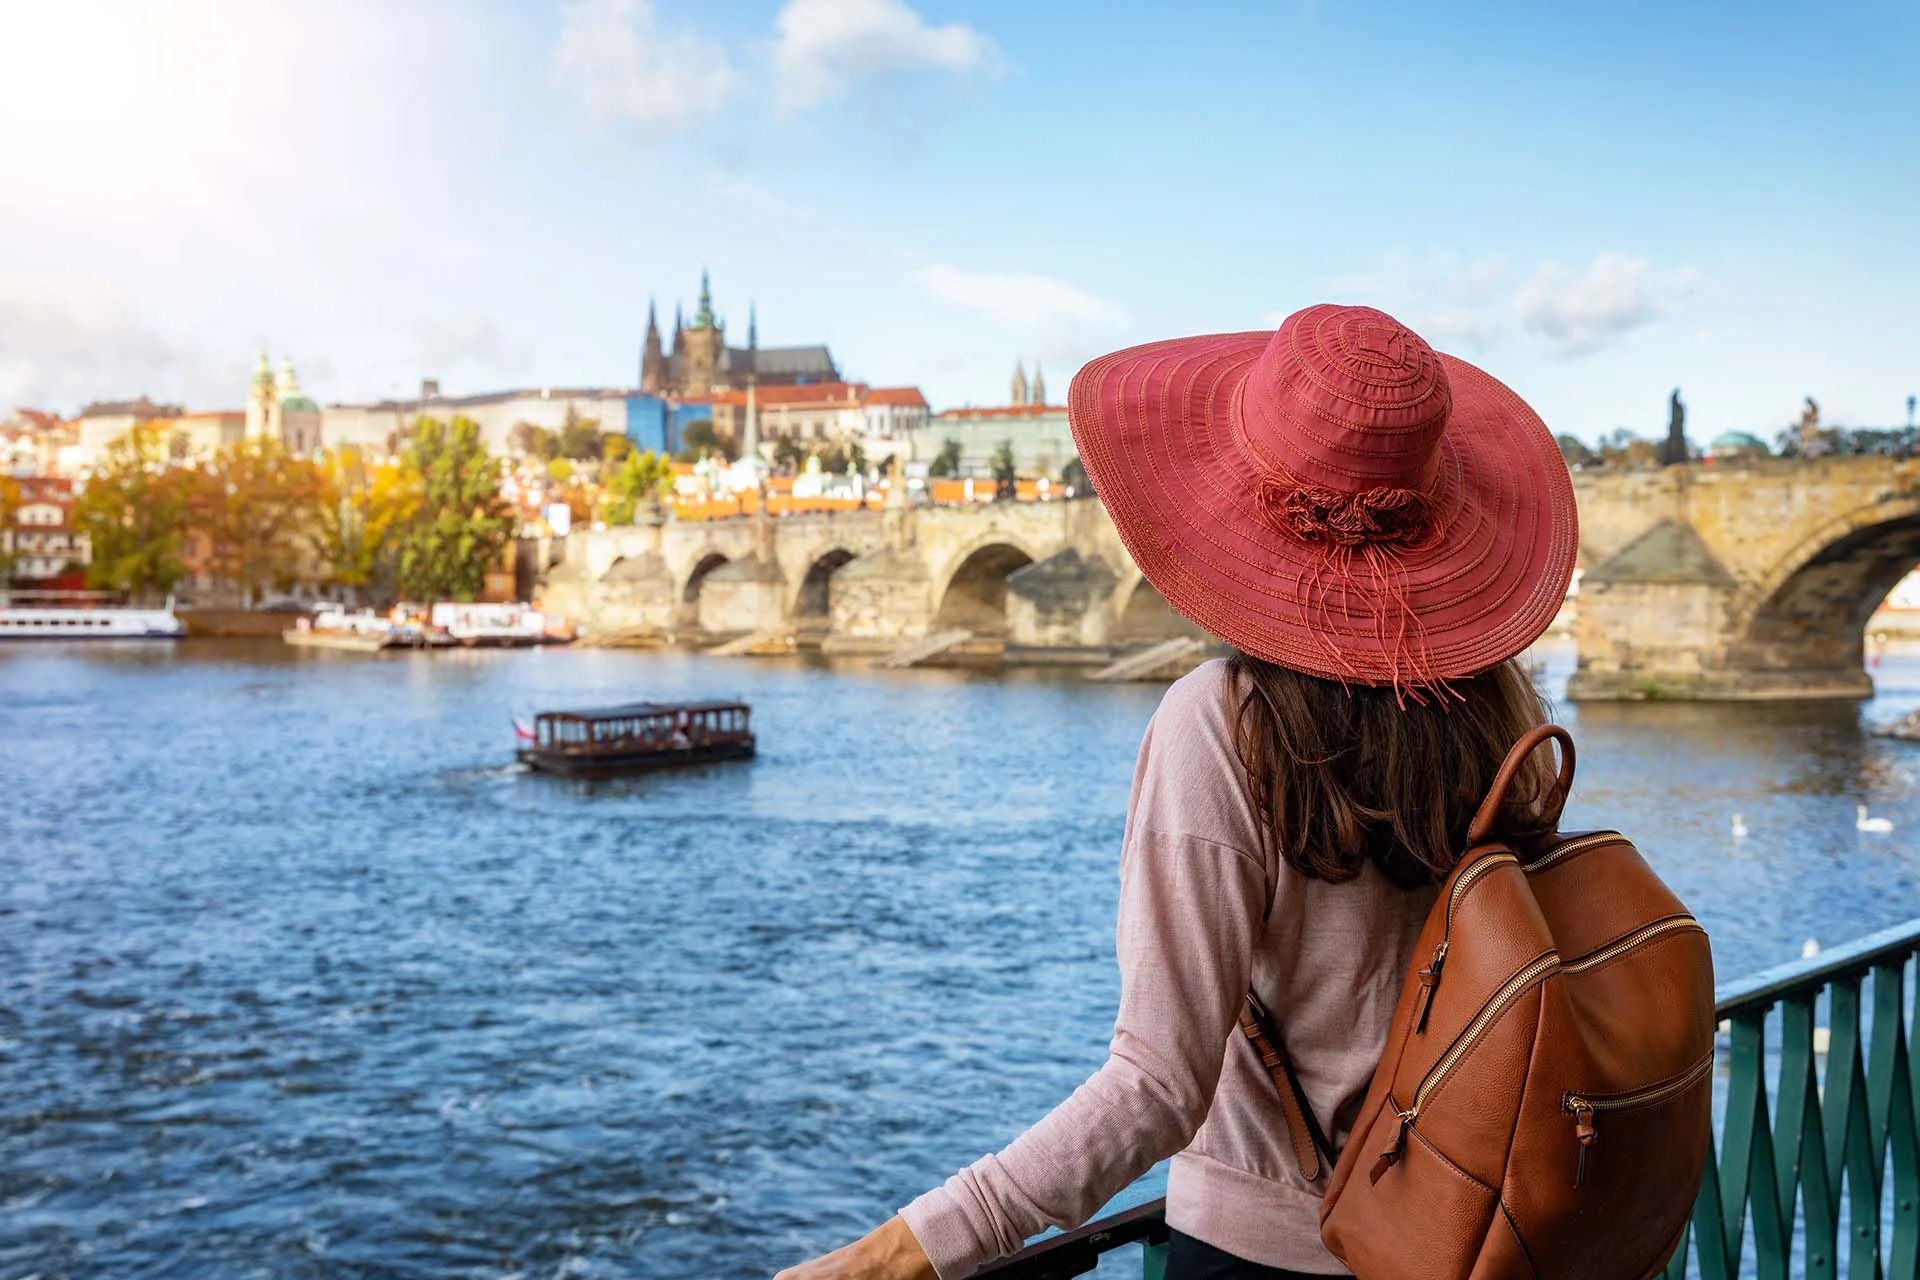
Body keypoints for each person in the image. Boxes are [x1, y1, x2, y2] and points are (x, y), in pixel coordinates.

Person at [773, 304, 1579, 1280]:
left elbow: (1156, 1084)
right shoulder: (1493, 709)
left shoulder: (1226, 721)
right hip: (1482, 1231)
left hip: (1276, 1250)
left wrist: (903, 1248)